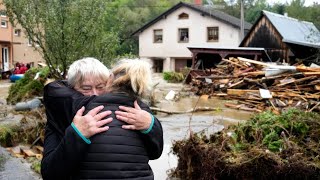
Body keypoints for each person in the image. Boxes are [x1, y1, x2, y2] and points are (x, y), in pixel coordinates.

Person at [41, 57, 163, 180]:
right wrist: (76, 135)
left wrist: (151, 125)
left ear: (110, 83)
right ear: (70, 89)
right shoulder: (62, 112)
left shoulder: (139, 113)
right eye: (86, 88)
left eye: (100, 87)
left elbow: (154, 152)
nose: (95, 94)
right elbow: (50, 173)